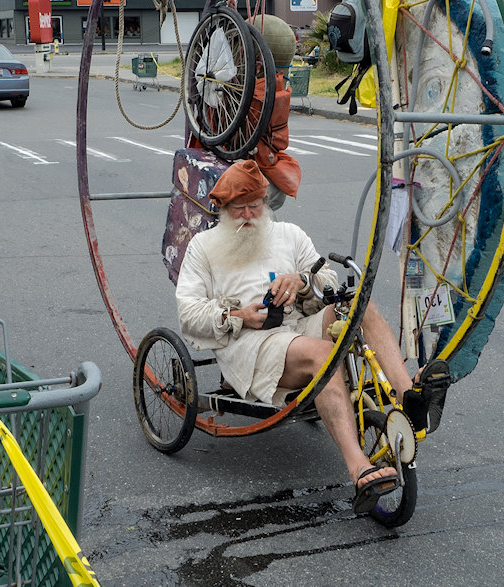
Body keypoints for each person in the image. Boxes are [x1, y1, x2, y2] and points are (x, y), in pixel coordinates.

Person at [175, 160, 450, 516]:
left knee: (359, 306)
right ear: (223, 209)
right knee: (323, 355)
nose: (247, 215)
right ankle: (357, 467)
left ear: (264, 203)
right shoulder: (203, 247)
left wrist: (302, 282)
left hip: (297, 325)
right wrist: (237, 316)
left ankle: (408, 396)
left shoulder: (288, 234)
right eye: (238, 209)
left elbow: (329, 282)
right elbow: (189, 314)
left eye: (254, 206)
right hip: (247, 344)